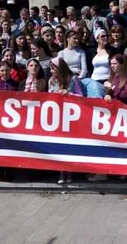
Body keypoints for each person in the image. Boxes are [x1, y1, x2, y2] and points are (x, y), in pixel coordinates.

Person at [48, 57, 83, 185]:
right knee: (59, 145)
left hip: (71, 116)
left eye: (53, 68)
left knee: (69, 146)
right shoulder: (51, 81)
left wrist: (69, 95)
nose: (51, 71)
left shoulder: (73, 79)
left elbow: (82, 96)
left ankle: (70, 172)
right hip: (57, 117)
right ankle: (61, 171)